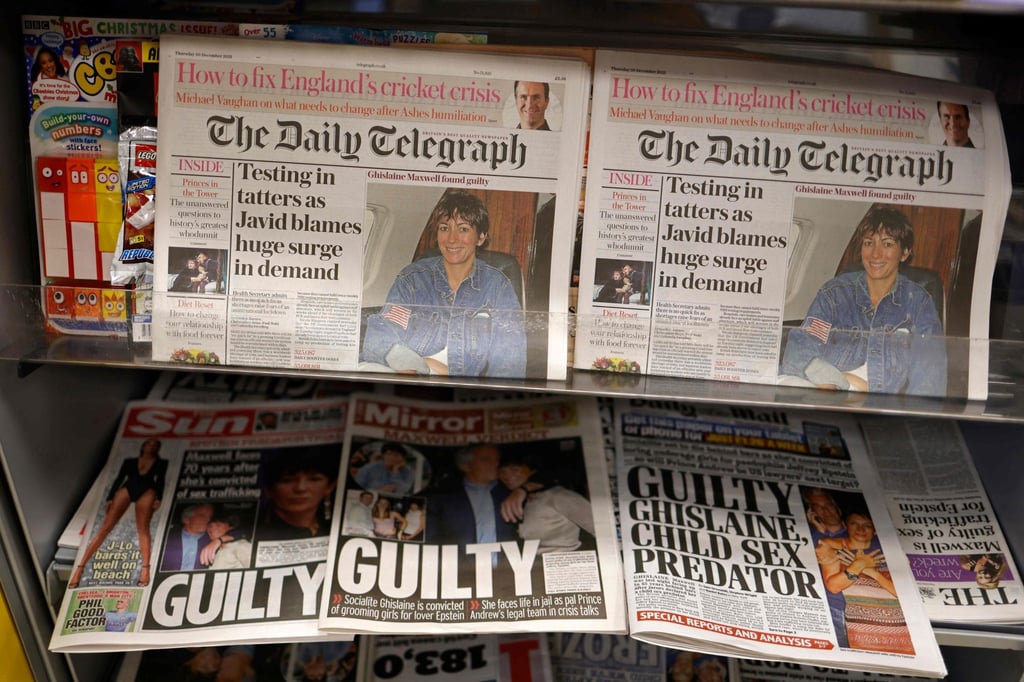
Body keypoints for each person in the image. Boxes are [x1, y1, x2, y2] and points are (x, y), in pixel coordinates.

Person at [779, 206, 946, 396]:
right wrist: (831, 382)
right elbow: (800, 347)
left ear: (905, 253)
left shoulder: (918, 302)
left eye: (887, 244)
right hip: (820, 388)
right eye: (868, 243)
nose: (875, 254)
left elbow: (931, 374)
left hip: (869, 401)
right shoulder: (835, 293)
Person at [361, 190, 526, 377]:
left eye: (463, 229)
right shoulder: (413, 278)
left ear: (480, 237)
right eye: (444, 228)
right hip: (405, 371)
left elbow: (510, 358)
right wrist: (411, 367)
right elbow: (381, 332)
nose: (451, 239)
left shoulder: (497, 286)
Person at [69, 438, 167, 588]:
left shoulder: (161, 463)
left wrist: (158, 497)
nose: (151, 446)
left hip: (147, 490)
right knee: (105, 529)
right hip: (127, 488)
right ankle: (79, 569)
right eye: (149, 443)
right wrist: (109, 498)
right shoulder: (129, 461)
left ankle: (145, 571)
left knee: (143, 529)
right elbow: (120, 478)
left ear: (158, 448)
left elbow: (160, 481)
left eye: (155, 444)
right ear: (143, 445)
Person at [818, 507, 913, 654]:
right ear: (845, 525)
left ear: (875, 530)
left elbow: (905, 594)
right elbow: (834, 586)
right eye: (854, 523)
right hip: (854, 624)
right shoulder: (831, 546)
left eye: (867, 525)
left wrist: (873, 573)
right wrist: (859, 565)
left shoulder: (889, 549)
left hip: (898, 627)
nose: (861, 529)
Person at [496, 452, 594, 554]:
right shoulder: (517, 501)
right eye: (502, 471)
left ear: (533, 470)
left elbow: (600, 530)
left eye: (514, 469)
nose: (507, 475)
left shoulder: (558, 496)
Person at [424, 443, 517, 545]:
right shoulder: (442, 498)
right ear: (464, 466)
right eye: (486, 459)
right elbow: (430, 538)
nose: (495, 463)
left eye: (497, 459)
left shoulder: (511, 492)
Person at [256, 447, 338, 541]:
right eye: (287, 480)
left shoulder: (330, 528)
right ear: (268, 489)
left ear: (330, 486)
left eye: (314, 479)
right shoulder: (258, 532)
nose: (300, 488)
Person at [803, 487, 849, 648]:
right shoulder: (811, 536)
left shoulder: (858, 532)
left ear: (837, 507)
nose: (826, 511)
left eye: (828, 505)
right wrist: (818, 532)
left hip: (855, 610)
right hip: (828, 610)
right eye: (818, 507)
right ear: (812, 513)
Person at [161, 502, 215, 572]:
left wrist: (220, 540)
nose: (208, 520)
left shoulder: (213, 539)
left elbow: (233, 530)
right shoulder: (168, 537)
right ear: (186, 520)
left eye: (210, 517)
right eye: (202, 516)